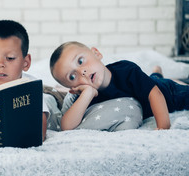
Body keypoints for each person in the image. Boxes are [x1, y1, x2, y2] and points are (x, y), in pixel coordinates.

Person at [50, 41, 189, 131]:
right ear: (73, 89)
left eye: (80, 61)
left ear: (96, 53)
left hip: (168, 93)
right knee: (151, 79)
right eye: (72, 77)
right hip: (149, 88)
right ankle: (156, 73)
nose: (82, 72)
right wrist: (87, 94)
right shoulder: (83, 96)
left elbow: (155, 94)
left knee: (176, 89)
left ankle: (157, 74)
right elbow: (66, 127)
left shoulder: (126, 70)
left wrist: (163, 127)